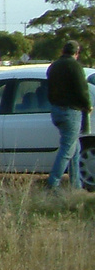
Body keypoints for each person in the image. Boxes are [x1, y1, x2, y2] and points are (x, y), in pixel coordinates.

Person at [46, 40, 91, 191]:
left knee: (75, 148)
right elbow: (81, 88)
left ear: (62, 51)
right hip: (71, 111)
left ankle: (76, 186)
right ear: (76, 53)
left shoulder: (54, 66)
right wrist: (87, 104)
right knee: (67, 149)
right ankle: (53, 183)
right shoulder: (74, 66)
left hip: (56, 110)